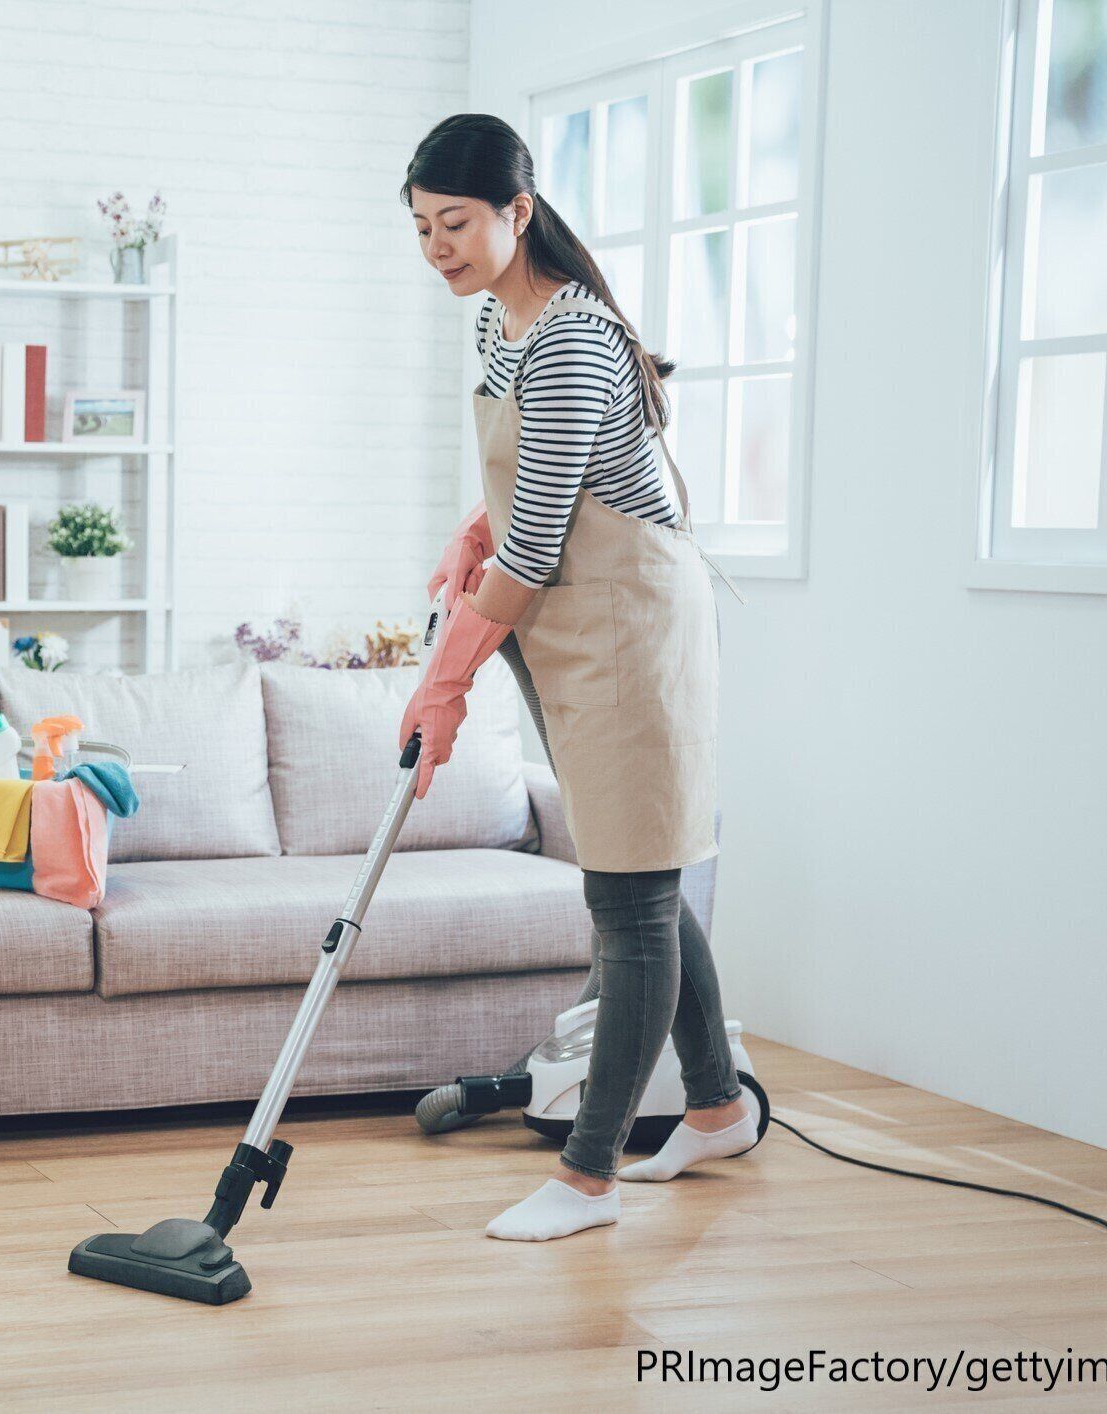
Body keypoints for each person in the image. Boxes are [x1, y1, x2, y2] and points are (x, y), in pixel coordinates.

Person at [397, 113, 759, 1243]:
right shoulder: (502, 334)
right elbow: (540, 479)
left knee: (630, 895)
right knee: (632, 864)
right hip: (561, 630)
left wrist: (445, 678)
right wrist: (473, 531)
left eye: (454, 222)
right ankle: (714, 1104)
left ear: (517, 209)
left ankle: (590, 1174)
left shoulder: (571, 337)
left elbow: (543, 542)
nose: (437, 246)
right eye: (419, 226)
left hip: (625, 632)